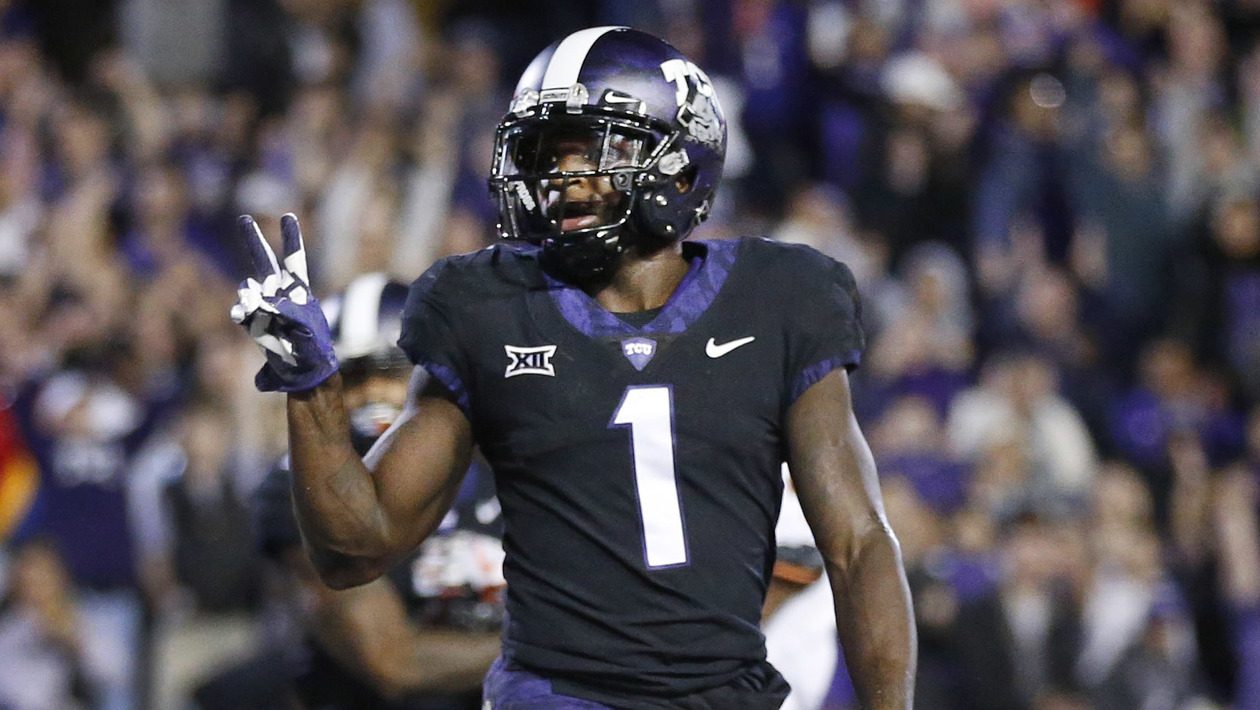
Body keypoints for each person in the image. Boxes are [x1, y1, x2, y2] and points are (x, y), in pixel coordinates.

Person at [230, 26, 915, 709]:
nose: (561, 177)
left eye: (590, 147)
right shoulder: (488, 307)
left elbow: (858, 545)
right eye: (544, 154)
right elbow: (358, 545)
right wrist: (312, 388)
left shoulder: (780, 298)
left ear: (680, 162)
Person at [245, 272, 503, 710]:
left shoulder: (503, 463)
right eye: (352, 379)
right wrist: (553, 650)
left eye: (390, 372)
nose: (372, 395)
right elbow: (393, 663)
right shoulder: (298, 488)